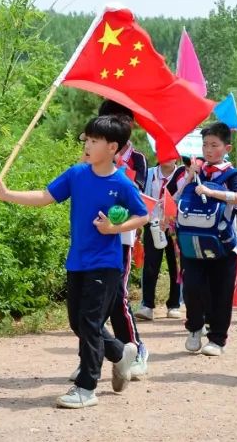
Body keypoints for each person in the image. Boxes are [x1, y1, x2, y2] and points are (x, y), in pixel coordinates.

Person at [0, 115, 150, 409]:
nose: (87, 145)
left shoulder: (122, 183)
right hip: (77, 261)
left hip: (106, 264)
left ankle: (86, 388)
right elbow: (44, 196)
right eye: (86, 139)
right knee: (78, 322)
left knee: (89, 323)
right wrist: (6, 194)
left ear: (113, 147)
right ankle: (119, 352)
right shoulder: (77, 174)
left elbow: (143, 215)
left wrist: (114, 229)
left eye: (94, 141)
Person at [166, 122, 237, 356]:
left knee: (221, 291)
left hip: (223, 243)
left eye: (214, 145)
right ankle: (194, 327)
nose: (208, 150)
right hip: (192, 242)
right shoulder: (194, 171)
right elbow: (175, 198)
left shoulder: (231, 173)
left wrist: (212, 193)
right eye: (205, 145)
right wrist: (189, 177)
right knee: (192, 287)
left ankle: (217, 339)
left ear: (227, 147)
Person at [96, 100, 149, 379]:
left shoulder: (136, 159)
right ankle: (92, 356)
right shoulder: (92, 154)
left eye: (123, 119)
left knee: (118, 296)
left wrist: (115, 168)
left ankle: (136, 350)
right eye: (110, 118)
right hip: (94, 236)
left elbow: (135, 196)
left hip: (122, 237)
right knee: (94, 299)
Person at [137, 155, 182, 320]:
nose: (167, 157)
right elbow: (138, 195)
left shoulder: (184, 175)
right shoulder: (149, 174)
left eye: (171, 154)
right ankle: (147, 305)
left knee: (175, 265)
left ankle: (175, 304)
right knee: (151, 265)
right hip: (153, 224)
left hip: (174, 226)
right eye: (164, 152)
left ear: (177, 157)